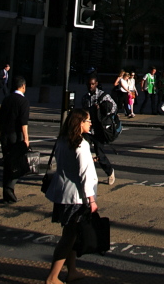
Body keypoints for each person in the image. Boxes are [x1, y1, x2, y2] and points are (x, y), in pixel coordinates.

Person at [44, 108, 99, 284]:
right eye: (88, 120)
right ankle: (52, 277)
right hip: (76, 197)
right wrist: (91, 199)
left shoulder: (62, 141)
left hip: (61, 193)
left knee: (72, 234)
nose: (90, 123)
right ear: (79, 123)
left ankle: (72, 270)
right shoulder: (81, 144)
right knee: (68, 237)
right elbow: (84, 174)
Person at [0, 74, 30, 203]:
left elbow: (1, 118)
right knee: (16, 163)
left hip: (4, 134)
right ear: (23, 86)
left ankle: (7, 190)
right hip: (15, 136)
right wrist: (26, 138)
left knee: (7, 161)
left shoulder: (6, 99)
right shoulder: (23, 101)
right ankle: (9, 188)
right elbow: (23, 122)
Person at [81, 76, 116, 185]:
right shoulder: (85, 97)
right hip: (88, 129)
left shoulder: (103, 96)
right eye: (88, 84)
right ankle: (84, 175)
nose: (90, 86)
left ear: (96, 84)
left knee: (99, 154)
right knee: (83, 151)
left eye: (92, 84)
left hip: (99, 129)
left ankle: (109, 171)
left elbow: (114, 107)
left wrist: (101, 108)